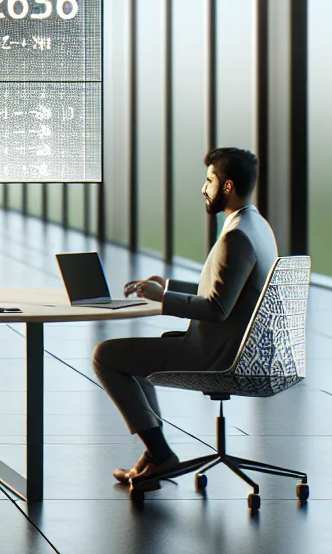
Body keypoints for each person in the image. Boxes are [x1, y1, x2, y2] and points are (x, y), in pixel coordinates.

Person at [92, 147, 278, 492]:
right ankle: (155, 453)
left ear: (227, 186)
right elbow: (229, 293)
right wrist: (169, 286)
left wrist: (162, 299)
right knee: (153, 349)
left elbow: (216, 309)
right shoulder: (257, 226)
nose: (203, 188)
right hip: (241, 346)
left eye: (209, 180)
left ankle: (161, 454)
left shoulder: (236, 237)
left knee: (106, 355)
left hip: (220, 356)